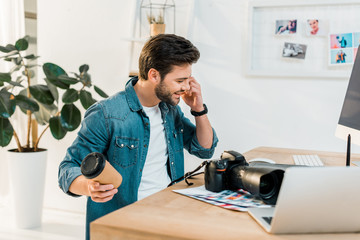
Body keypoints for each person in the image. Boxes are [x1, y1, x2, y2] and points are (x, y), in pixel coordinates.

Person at [58, 34, 218, 240]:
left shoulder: (170, 110)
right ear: (154, 75)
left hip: (169, 212)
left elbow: (204, 149)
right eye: (180, 80)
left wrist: (198, 109)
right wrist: (89, 187)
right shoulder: (106, 114)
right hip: (125, 223)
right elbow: (67, 169)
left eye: (188, 80)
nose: (187, 87)